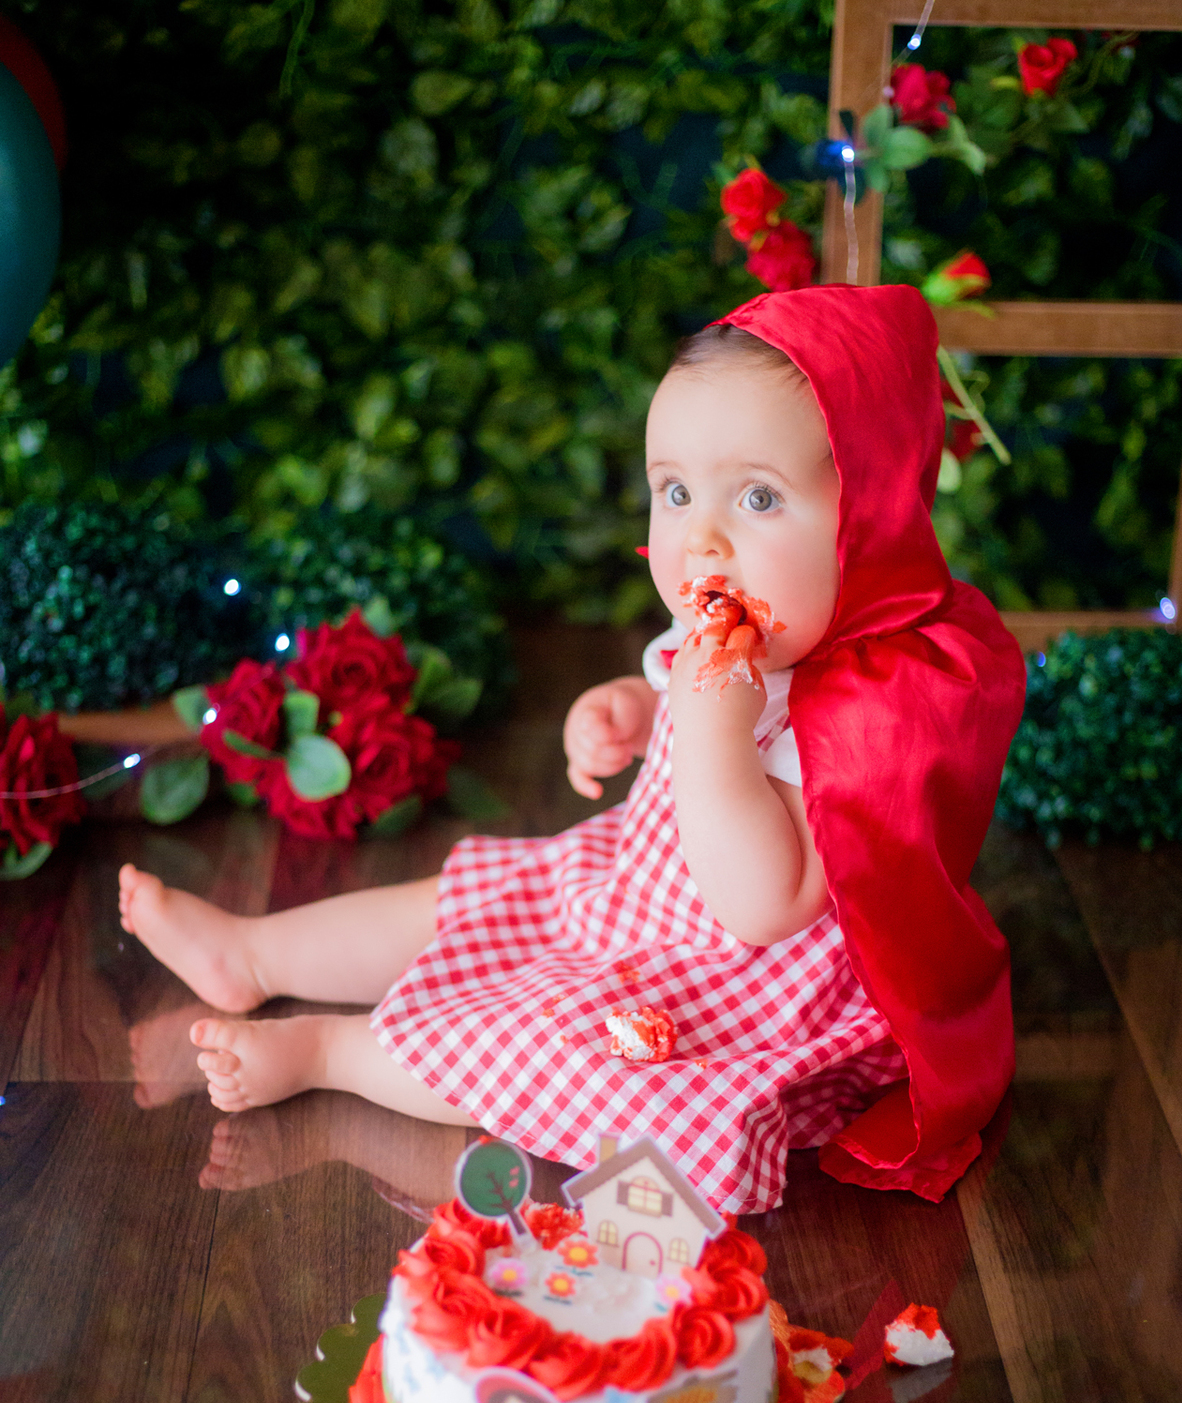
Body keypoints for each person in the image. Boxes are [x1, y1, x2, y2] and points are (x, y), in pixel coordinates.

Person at [118, 285, 1025, 1213]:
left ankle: (328, 1053)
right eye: (675, 492)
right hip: (633, 885)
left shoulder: (875, 709)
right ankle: (255, 955)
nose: (701, 538)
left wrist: (712, 729)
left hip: (731, 983)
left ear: (868, 519)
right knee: (474, 897)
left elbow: (764, 906)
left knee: (548, 1037)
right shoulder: (738, 632)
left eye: (758, 497)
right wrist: (635, 707)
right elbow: (670, 683)